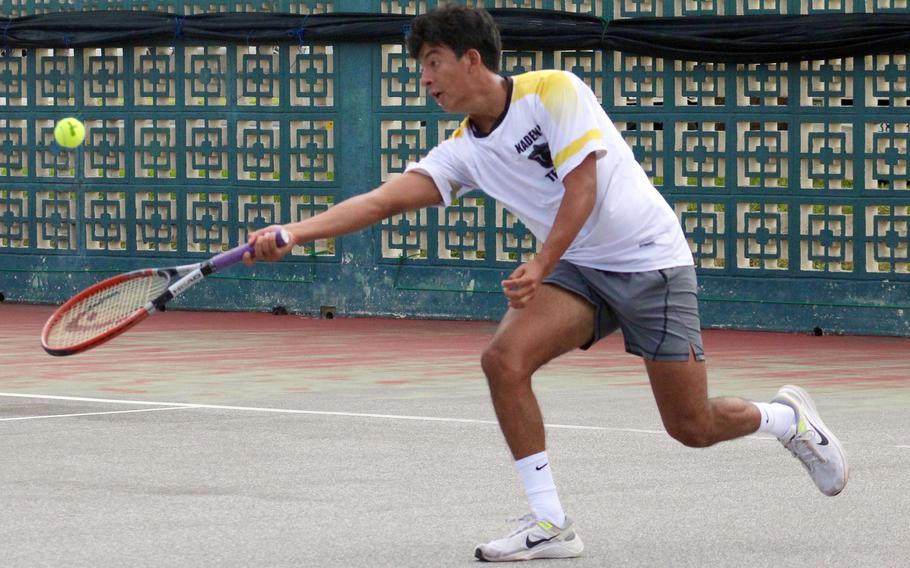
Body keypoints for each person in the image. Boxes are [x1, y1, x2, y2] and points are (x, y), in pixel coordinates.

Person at [245, 4, 848, 562]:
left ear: (470, 59)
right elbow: (380, 202)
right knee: (503, 360)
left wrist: (540, 263)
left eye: (432, 64)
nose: (424, 81)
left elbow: (581, 189)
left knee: (691, 427)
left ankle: (785, 420)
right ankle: (550, 522)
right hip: (581, 269)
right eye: (421, 69)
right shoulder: (462, 153)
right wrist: (295, 231)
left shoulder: (554, 90)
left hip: (650, 260)